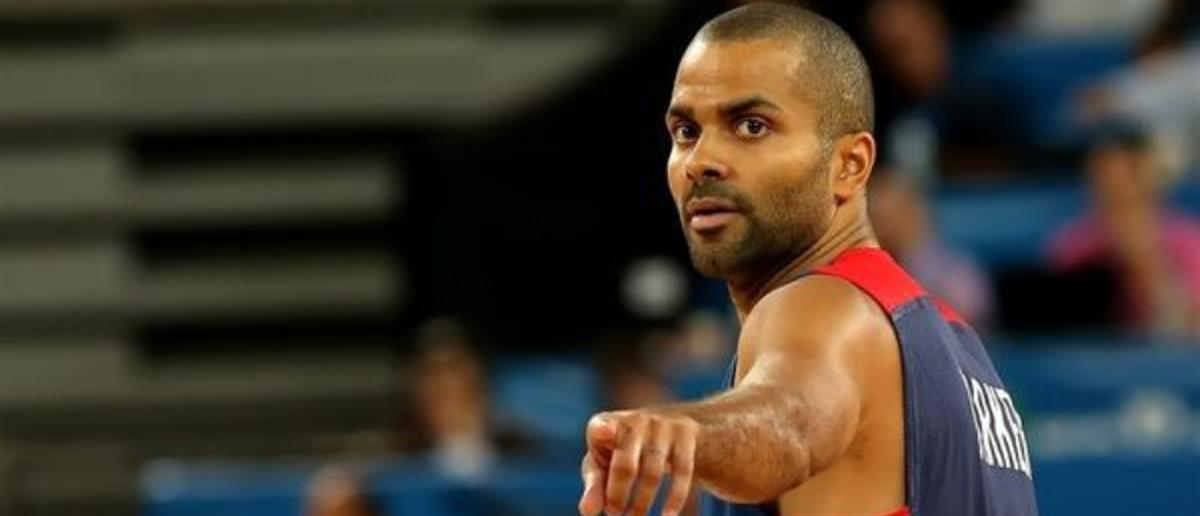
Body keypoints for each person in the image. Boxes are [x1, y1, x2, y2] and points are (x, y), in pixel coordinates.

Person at [578, 4, 1037, 516]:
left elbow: (790, 424)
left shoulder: (826, 307)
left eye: (751, 126)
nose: (701, 161)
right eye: (686, 131)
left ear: (849, 164)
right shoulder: (953, 346)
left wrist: (684, 432)